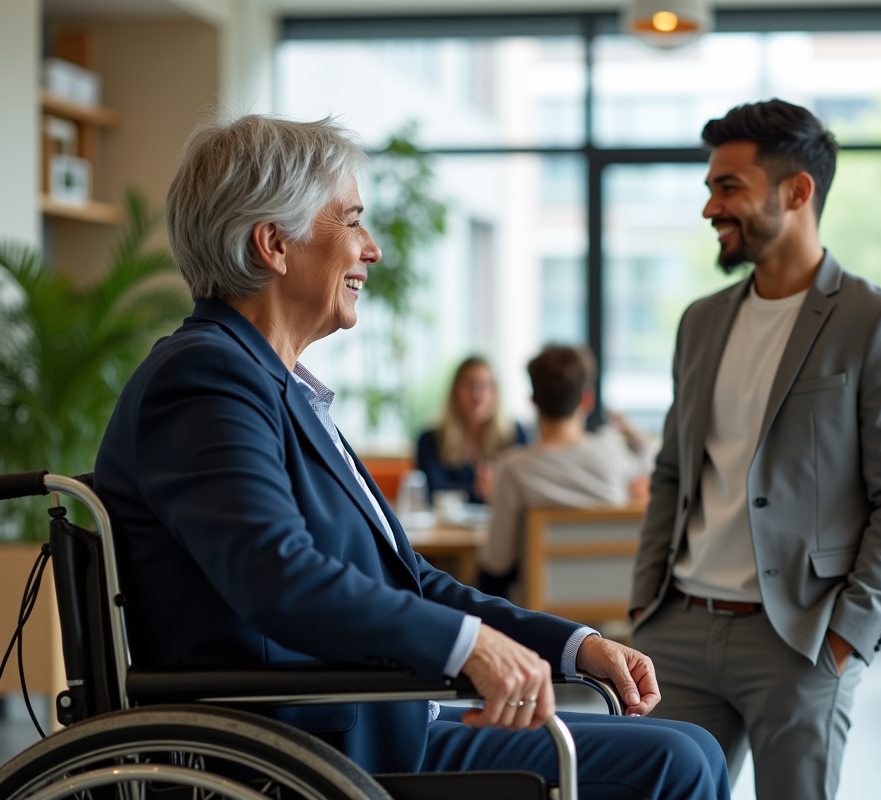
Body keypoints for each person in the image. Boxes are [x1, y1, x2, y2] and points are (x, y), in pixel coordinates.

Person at [92, 114, 729, 800]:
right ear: (274, 243)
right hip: (315, 755)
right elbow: (277, 574)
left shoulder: (273, 385)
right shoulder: (205, 380)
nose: (372, 250)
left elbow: (411, 581)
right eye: (352, 221)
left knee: (692, 746)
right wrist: (470, 647)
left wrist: (573, 646)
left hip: (377, 721)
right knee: (678, 761)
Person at [628, 99, 881, 799]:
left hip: (801, 639)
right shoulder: (700, 322)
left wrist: (848, 635)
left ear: (797, 192)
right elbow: (672, 470)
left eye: (728, 187)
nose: (710, 207)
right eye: (710, 187)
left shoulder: (877, 321)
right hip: (678, 629)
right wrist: (646, 601)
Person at [478, 344, 652, 599]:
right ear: (588, 399)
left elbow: (497, 563)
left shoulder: (515, 469)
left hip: (538, 616)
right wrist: (626, 426)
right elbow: (650, 456)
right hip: (611, 610)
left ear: (533, 401)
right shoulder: (614, 454)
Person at [417, 357, 527, 505]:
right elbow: (434, 494)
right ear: (455, 392)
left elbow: (524, 496)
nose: (477, 396)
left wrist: (496, 492)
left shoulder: (514, 435)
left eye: (486, 386)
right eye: (469, 385)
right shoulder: (430, 440)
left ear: (496, 393)